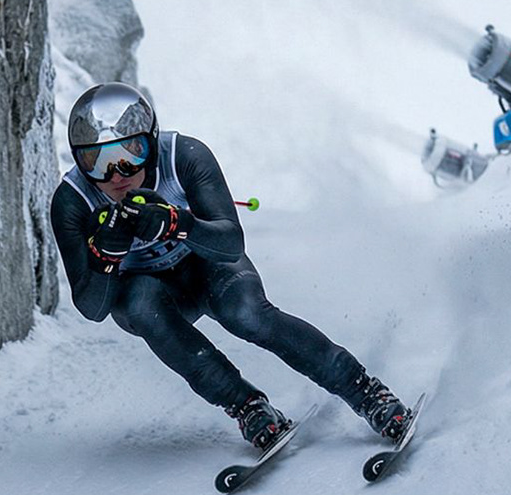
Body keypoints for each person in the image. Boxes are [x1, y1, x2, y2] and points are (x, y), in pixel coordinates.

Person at [48, 82, 413, 450]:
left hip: (209, 267)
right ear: (79, 163)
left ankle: (365, 392)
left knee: (246, 313)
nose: (117, 174)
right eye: (97, 162)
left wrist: (176, 223)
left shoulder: (184, 156)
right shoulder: (72, 201)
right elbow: (93, 308)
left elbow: (230, 244)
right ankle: (247, 406)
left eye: (131, 153)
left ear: (153, 143)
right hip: (152, 293)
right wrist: (106, 257)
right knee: (141, 305)